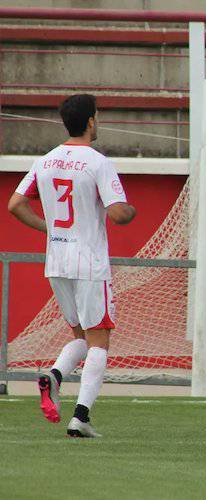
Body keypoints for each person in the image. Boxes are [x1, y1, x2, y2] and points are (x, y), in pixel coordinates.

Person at [8, 94, 136, 438]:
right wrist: (128, 210)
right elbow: (119, 212)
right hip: (89, 262)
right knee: (99, 341)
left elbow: (15, 204)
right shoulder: (97, 162)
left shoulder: (45, 161)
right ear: (91, 121)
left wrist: (48, 227)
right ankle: (80, 417)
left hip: (57, 261)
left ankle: (56, 375)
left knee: (81, 335)